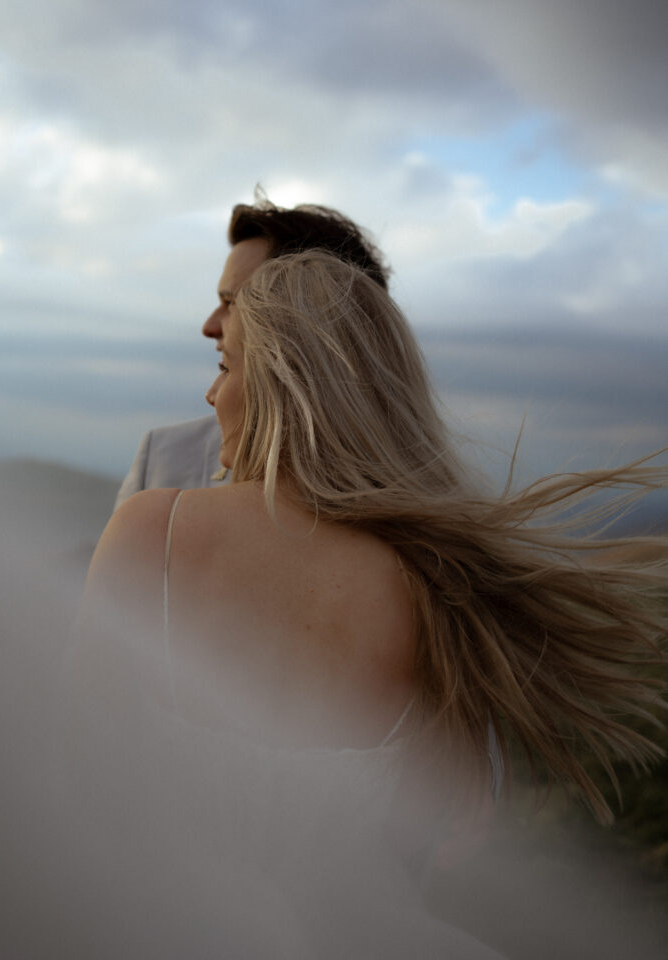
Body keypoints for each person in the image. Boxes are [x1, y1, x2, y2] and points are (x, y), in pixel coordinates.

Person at [71, 251, 667, 956]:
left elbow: (75, 784)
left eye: (225, 367)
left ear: (278, 381)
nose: (209, 396)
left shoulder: (154, 529)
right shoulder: (433, 584)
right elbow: (425, 845)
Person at [114, 198, 390, 509]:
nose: (209, 326)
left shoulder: (405, 492)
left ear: (316, 324)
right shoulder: (164, 458)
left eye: (236, 303)